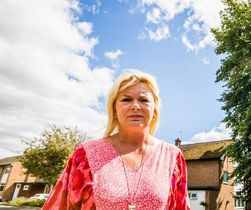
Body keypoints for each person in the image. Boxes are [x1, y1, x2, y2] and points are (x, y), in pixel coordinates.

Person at [43, 70, 190, 210]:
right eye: (126, 99)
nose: (135, 106)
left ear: (155, 110)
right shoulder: (85, 154)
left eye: (144, 100)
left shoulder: (173, 157)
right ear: (114, 109)